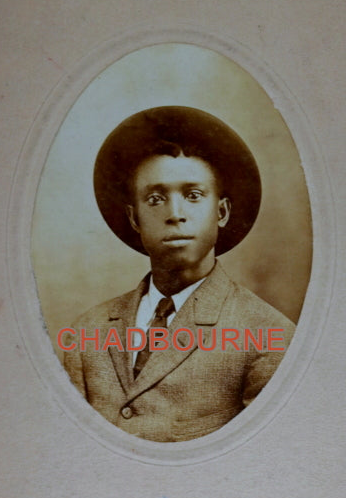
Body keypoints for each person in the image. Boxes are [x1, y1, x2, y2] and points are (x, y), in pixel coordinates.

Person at [62, 106, 295, 442]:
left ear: (222, 211)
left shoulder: (269, 335)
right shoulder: (89, 330)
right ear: (134, 219)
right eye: (155, 199)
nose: (175, 214)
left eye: (193, 196)